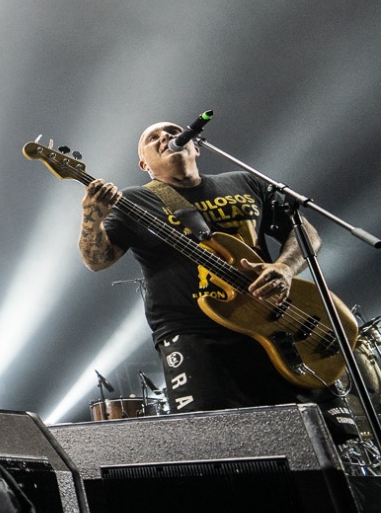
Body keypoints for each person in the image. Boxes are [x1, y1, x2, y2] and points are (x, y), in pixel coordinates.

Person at [78, 120, 342, 422]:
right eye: (153, 138)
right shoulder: (135, 200)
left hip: (277, 324)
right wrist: (92, 216)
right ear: (143, 163)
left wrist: (283, 268)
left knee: (315, 434)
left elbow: (307, 234)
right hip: (197, 336)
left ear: (196, 145)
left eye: (174, 133)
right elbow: (96, 260)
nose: (166, 137)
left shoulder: (245, 182)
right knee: (215, 439)